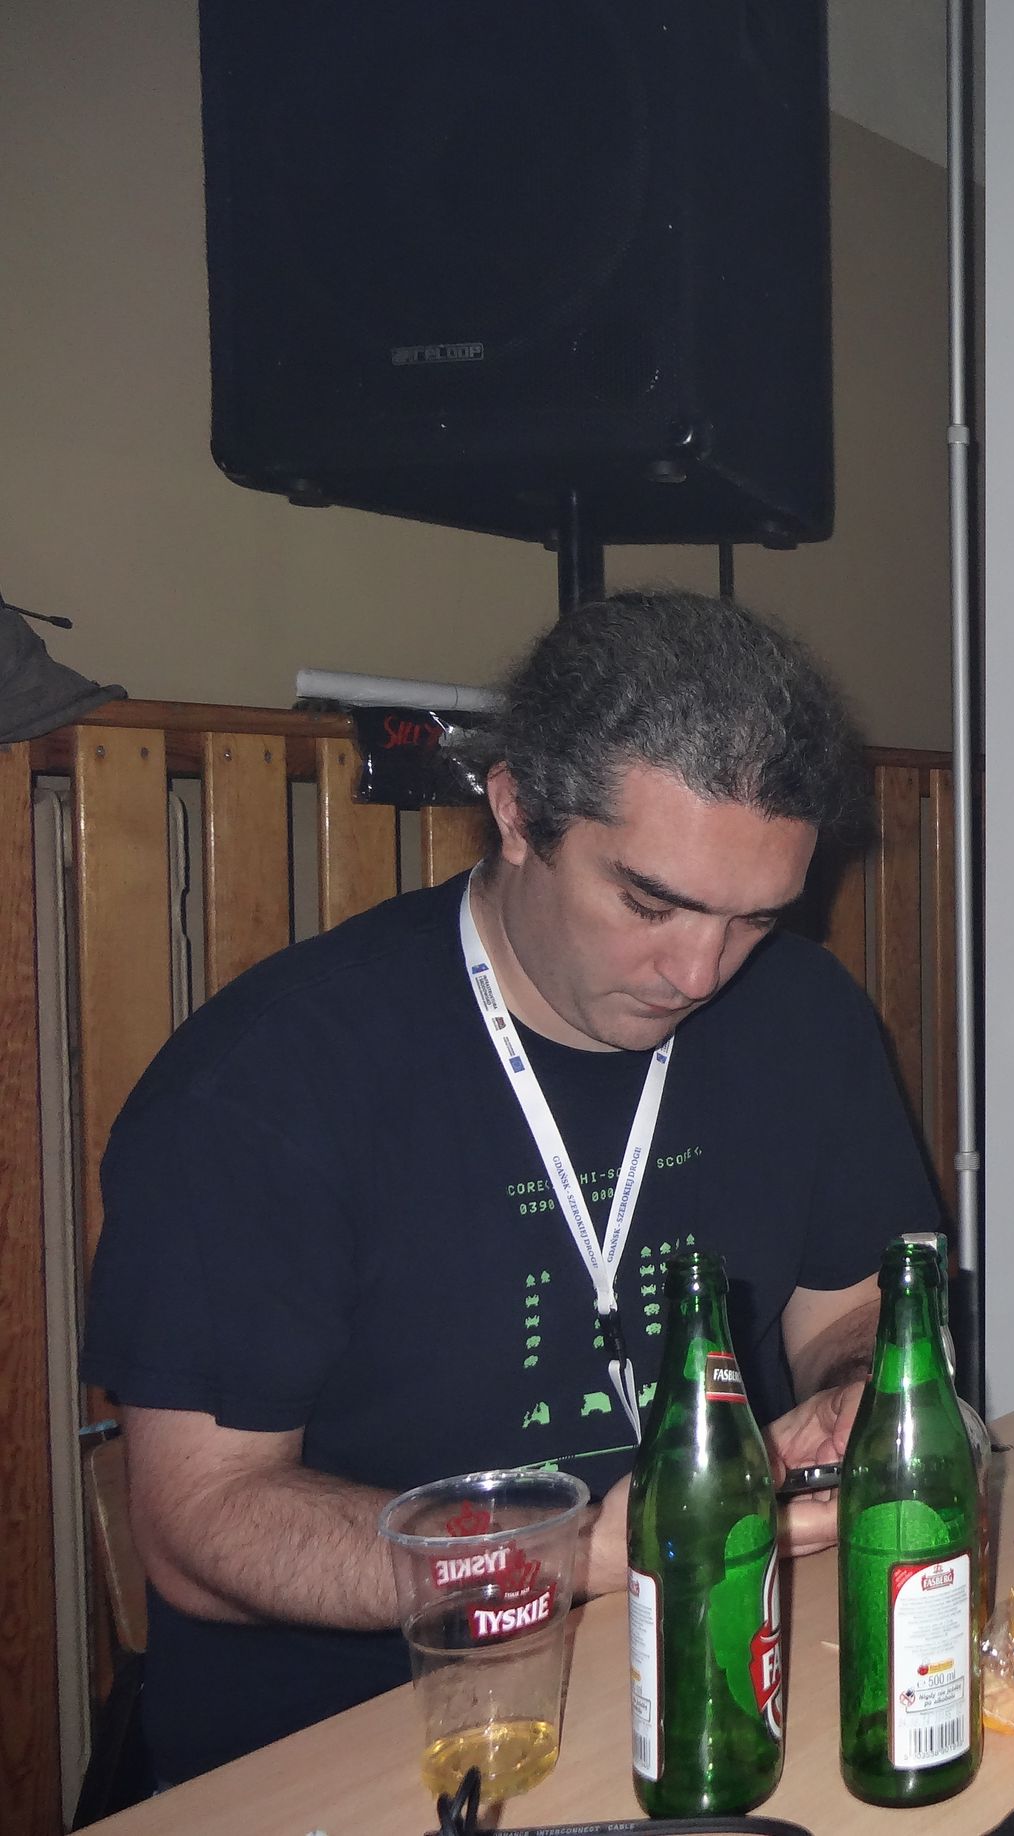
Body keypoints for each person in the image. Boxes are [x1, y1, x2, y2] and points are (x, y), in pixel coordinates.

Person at [82, 589, 942, 1784]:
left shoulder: (803, 1017)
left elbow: (850, 1309)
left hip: (715, 1675)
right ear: (518, 812)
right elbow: (201, 1530)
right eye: (650, 902)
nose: (700, 971)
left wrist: (857, 1393)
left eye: (754, 918)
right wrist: (574, 1553)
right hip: (352, 1746)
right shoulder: (269, 1082)